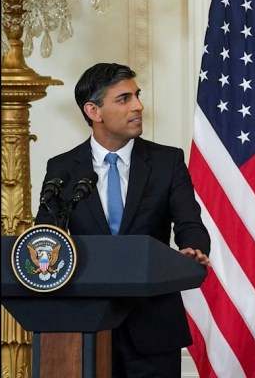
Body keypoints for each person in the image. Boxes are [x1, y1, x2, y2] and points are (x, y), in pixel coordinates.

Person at [35, 62, 210, 378]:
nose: (138, 106)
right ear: (94, 111)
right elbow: (45, 237)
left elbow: (190, 224)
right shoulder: (63, 168)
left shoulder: (167, 161)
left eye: (137, 95)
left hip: (153, 328)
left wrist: (193, 249)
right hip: (84, 327)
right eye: (124, 98)